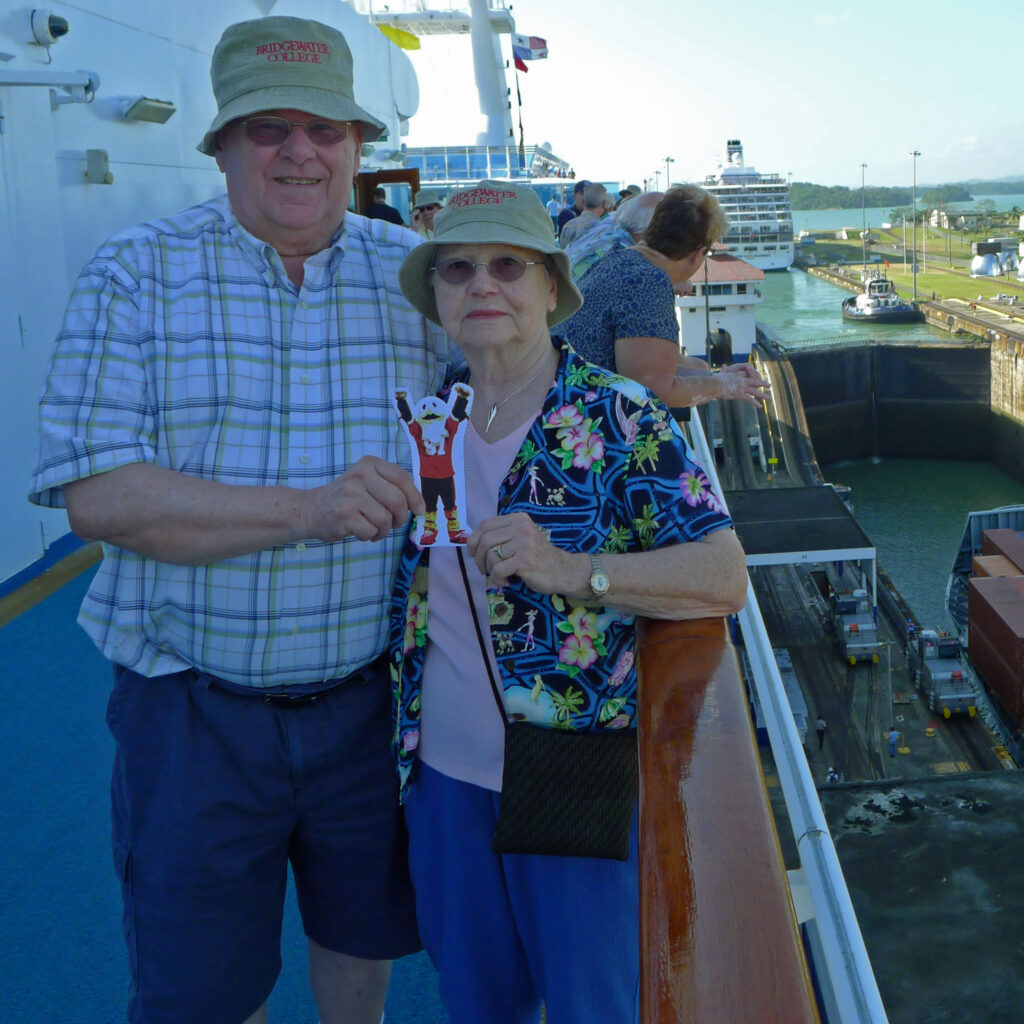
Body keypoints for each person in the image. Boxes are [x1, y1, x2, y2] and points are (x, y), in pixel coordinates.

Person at [29, 15, 457, 1024]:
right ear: (220, 145)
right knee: (202, 987)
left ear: (358, 145)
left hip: (368, 700)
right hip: (192, 713)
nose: (300, 152)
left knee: (361, 937)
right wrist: (308, 510)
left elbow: (522, 406)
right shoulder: (137, 272)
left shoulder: (416, 281)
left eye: (326, 128)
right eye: (268, 128)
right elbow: (98, 496)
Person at [388, 181, 749, 1022]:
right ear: (437, 295)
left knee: (595, 1001)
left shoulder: (617, 416)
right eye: (458, 269)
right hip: (441, 775)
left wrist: (570, 567)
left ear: (551, 288)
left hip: (571, 765)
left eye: (509, 266)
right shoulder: (424, 417)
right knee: (477, 1000)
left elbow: (724, 574)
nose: (483, 285)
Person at [560, 185, 770, 410]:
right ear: (699, 254)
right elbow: (653, 391)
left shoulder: (618, 259)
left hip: (557, 402)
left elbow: (651, 363)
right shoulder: (648, 281)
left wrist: (717, 376)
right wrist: (725, 386)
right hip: (577, 419)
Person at [558, 181, 608, 248]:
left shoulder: (601, 217)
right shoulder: (567, 214)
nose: (585, 196)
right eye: (582, 193)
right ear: (574, 196)